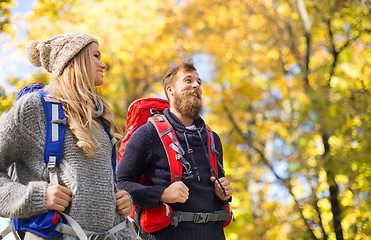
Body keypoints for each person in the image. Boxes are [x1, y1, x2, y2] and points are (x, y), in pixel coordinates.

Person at [0, 33, 134, 239]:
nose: (103, 64)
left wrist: (121, 199)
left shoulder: (101, 118)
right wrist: (37, 196)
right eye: (96, 56)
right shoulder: (34, 107)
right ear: (73, 61)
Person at [116, 60, 233, 240]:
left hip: (215, 233)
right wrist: (161, 194)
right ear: (170, 90)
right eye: (188, 80)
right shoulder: (148, 133)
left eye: (199, 82)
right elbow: (120, 183)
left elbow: (218, 186)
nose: (196, 85)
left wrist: (223, 191)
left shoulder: (212, 138)